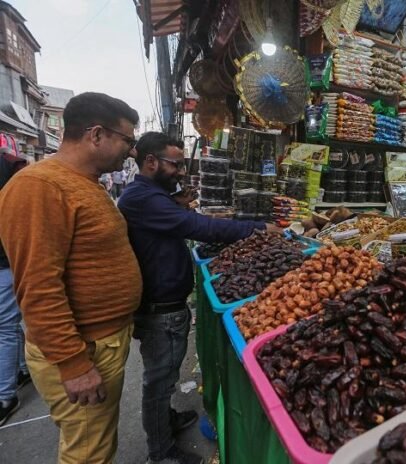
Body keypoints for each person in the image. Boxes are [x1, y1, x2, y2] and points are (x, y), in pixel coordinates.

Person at [118, 132, 280, 464]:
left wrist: (174, 203)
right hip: (160, 310)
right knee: (159, 382)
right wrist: (258, 228)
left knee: (165, 377)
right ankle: (161, 453)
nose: (181, 172)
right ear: (151, 162)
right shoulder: (142, 198)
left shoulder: (151, 195)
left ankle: (166, 421)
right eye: (175, 164)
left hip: (165, 304)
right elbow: (198, 227)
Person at [0, 92, 142, 463]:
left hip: (101, 342)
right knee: (88, 453)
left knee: (96, 444)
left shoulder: (85, 182)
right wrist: (73, 364)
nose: (131, 151)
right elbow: (37, 287)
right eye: (127, 140)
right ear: (96, 134)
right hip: (85, 349)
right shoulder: (40, 186)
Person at [0, 147, 31, 426]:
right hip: (7, 259)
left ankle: (5, 396)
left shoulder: (9, 165)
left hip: (5, 260)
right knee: (8, 324)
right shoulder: (11, 164)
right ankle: (20, 370)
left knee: (5, 326)